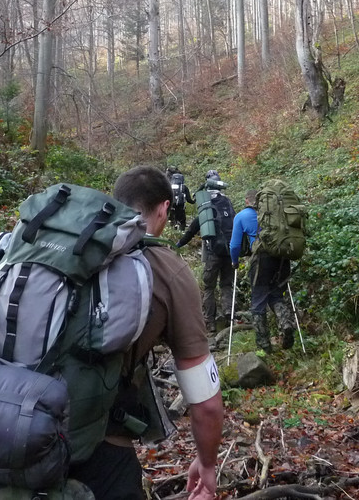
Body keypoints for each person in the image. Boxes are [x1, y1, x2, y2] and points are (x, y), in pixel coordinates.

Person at [69, 165, 224, 500]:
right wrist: (207, 464)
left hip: (6, 420)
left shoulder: (66, 244)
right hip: (97, 447)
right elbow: (206, 402)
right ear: (165, 208)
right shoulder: (168, 269)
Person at [230, 188, 295, 353]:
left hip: (261, 260)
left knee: (258, 300)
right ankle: (285, 323)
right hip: (282, 258)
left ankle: (264, 345)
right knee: (276, 296)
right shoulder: (274, 215)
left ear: (246, 201)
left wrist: (235, 261)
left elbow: (235, 245)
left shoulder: (242, 216)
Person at [175, 170, 236, 334]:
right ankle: (229, 315)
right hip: (229, 251)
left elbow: (192, 230)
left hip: (212, 253)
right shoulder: (227, 202)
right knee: (226, 284)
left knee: (209, 287)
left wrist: (178, 244)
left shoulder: (205, 206)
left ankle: (210, 323)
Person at [166, 166, 193, 230]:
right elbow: (189, 200)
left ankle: (172, 232)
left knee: (172, 219)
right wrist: (194, 200)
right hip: (181, 207)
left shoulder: (169, 187)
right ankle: (181, 233)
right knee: (182, 221)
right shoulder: (184, 187)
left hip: (171, 206)